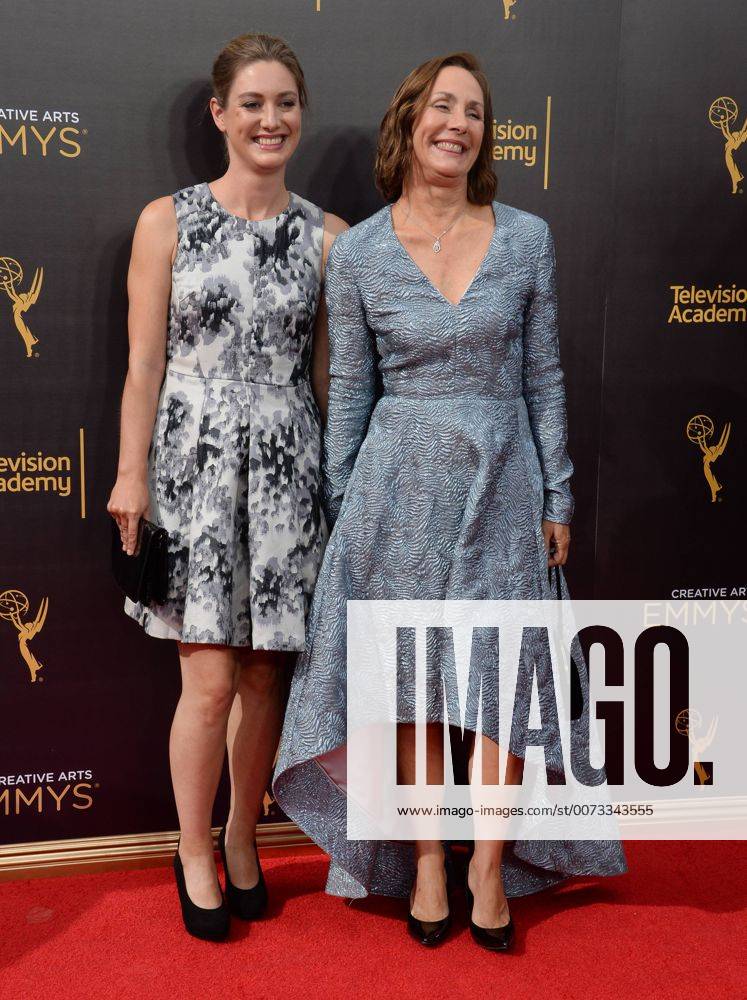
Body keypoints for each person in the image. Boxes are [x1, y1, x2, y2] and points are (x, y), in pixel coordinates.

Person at [273, 52, 626, 952]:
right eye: (441, 106)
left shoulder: (526, 238)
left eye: (473, 111)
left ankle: (486, 865)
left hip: (503, 483)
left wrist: (559, 493)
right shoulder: (353, 253)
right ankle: (429, 859)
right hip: (393, 493)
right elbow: (348, 392)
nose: (457, 124)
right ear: (410, 121)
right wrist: (344, 506)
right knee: (419, 688)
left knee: (503, 681)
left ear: (484, 133)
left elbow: (542, 375)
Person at [107, 32, 346, 941]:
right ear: (218, 114)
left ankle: (246, 833)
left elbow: (329, 382)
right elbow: (141, 364)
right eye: (251, 102)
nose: (270, 119)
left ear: (300, 113)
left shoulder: (331, 238)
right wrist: (131, 475)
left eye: (284, 102)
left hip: (289, 470)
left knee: (264, 679)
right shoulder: (165, 220)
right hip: (194, 468)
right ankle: (194, 850)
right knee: (204, 681)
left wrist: (340, 486)